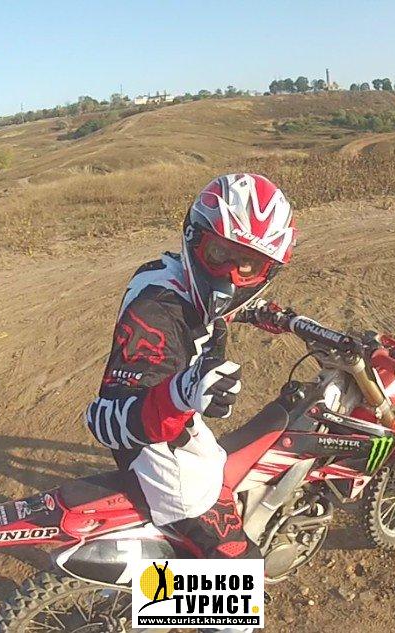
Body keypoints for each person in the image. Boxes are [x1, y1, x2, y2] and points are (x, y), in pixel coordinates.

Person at [83, 173, 296, 560]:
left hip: (176, 433)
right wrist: (180, 394)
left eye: (248, 266)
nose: (229, 276)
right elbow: (105, 420)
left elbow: (211, 303)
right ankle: (171, 597)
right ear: (194, 238)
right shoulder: (155, 313)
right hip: (171, 471)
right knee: (243, 571)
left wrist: (261, 313)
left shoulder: (163, 273)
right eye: (218, 254)